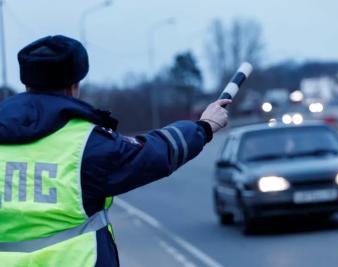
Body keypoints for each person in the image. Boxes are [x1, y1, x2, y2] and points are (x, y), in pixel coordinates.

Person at [0, 35, 230, 267]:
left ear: (27, 85)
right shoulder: (86, 143)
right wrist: (204, 127)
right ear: (73, 88)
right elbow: (155, 153)